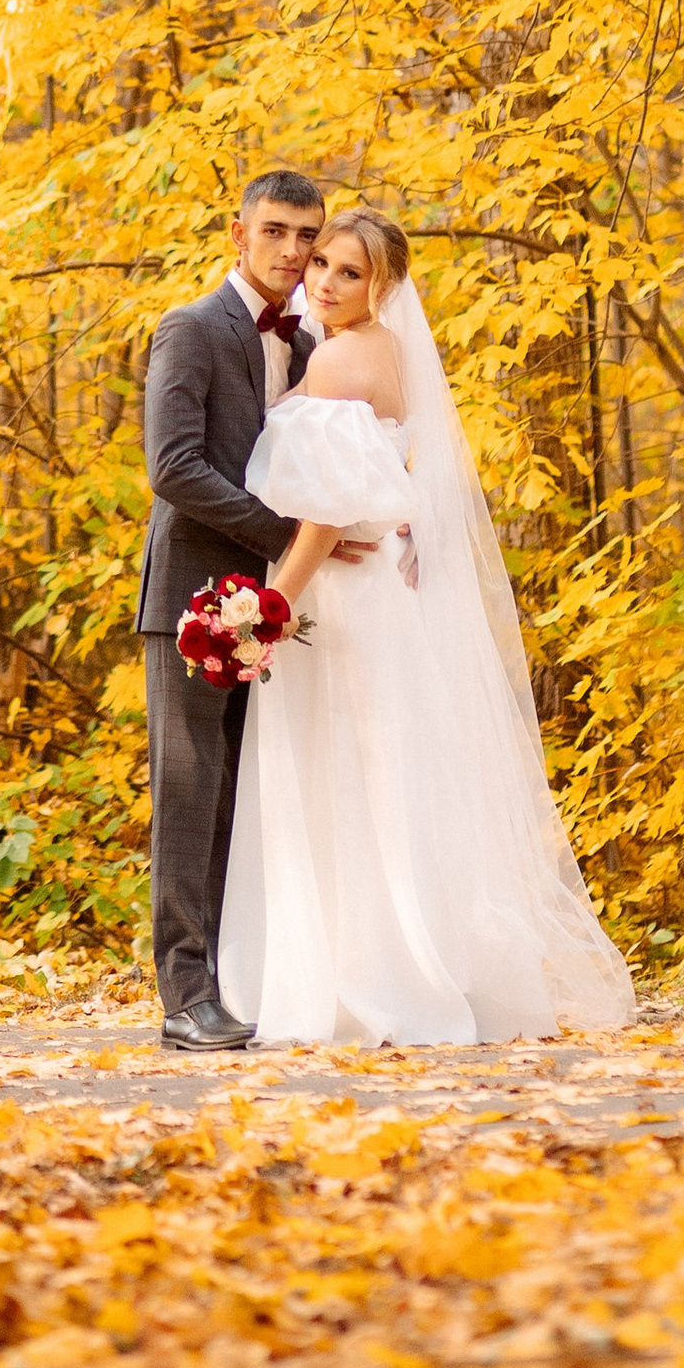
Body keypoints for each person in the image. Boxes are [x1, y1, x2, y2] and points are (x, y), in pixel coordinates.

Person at [218, 206, 636, 1046]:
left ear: (384, 286)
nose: (325, 282)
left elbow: (329, 514)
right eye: (321, 263)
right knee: (381, 779)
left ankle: (359, 981)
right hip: (379, 595)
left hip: (333, 599)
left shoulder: (337, 357)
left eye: (349, 272)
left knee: (338, 775)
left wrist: (269, 612)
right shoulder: (393, 351)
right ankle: (407, 964)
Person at [137, 166, 358, 1050]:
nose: (294, 253)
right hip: (194, 594)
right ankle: (185, 996)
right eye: (276, 233)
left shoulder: (314, 347)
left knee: (253, 796)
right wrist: (286, 539)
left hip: (282, 609)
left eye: (308, 238)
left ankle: (247, 979)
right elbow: (174, 467)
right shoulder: (191, 329)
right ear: (239, 234)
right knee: (191, 796)